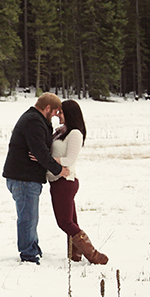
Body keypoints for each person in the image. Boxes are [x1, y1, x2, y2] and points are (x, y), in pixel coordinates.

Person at [2, 93, 68, 264]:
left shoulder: (36, 120)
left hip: (26, 176)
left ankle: (33, 249)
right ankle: (29, 255)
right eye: (54, 112)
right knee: (27, 218)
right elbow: (40, 151)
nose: (54, 116)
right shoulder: (33, 121)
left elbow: (41, 151)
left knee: (30, 217)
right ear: (47, 108)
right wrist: (59, 170)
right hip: (23, 177)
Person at [47, 99, 108, 265]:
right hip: (57, 181)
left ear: (69, 113)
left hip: (65, 181)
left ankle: (94, 255)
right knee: (71, 221)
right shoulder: (62, 131)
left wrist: (47, 160)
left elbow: (70, 159)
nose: (58, 115)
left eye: (61, 112)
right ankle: (74, 255)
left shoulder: (75, 133)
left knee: (65, 222)